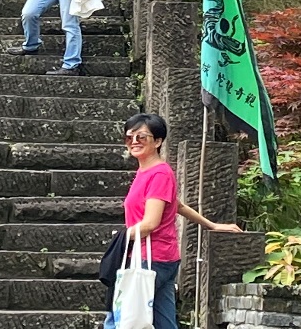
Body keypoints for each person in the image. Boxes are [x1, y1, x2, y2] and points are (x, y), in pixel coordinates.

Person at [102, 112, 242, 329]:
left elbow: (150, 224)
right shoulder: (147, 171)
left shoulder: (159, 174)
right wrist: (212, 225)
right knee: (164, 322)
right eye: (130, 137)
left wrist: (120, 238)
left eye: (142, 137)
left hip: (149, 258)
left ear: (158, 141)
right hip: (162, 258)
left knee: (120, 319)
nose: (134, 142)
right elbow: (177, 205)